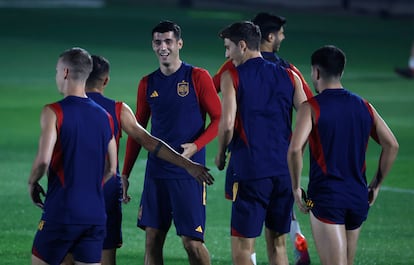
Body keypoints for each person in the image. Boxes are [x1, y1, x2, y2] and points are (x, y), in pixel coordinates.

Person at [62, 55, 214, 265]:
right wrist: (188, 163)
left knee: (65, 253)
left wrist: (36, 182)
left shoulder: (59, 110)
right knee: (119, 250)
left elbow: (49, 158)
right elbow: (147, 141)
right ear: (106, 80)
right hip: (111, 189)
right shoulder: (119, 109)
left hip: (70, 191)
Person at [212, 12, 312, 265]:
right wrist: (296, 150)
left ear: (242, 46)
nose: (227, 55)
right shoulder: (290, 74)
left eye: (228, 48)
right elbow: (310, 114)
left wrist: (221, 154)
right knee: (278, 245)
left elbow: (226, 125)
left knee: (243, 248)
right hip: (283, 172)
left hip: (251, 171)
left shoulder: (232, 75)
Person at [287, 45, 399, 265]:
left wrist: (295, 187)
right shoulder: (364, 106)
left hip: (327, 197)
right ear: (341, 71)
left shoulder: (311, 107)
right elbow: (391, 145)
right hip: (357, 196)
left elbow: (294, 149)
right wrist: (375, 185)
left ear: (316, 72)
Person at [122, 21, 221, 265]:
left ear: (179, 44)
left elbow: (219, 119)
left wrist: (196, 147)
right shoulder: (147, 83)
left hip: (190, 172)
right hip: (156, 173)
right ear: (152, 45)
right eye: (158, 42)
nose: (163, 47)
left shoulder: (197, 77)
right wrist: (125, 174)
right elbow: (138, 132)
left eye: (168, 41)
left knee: (192, 244)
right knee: (152, 239)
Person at [28, 47, 118, 265]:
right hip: (95, 216)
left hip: (62, 213)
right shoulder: (105, 116)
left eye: (57, 71)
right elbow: (112, 169)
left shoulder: (53, 112)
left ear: (66, 72)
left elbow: (42, 161)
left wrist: (33, 182)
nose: (56, 76)